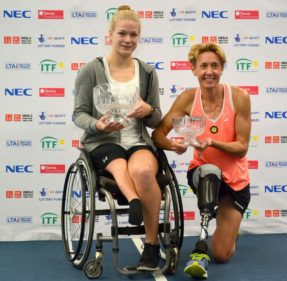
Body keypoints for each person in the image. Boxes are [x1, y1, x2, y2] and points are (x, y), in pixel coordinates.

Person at [73, 5, 162, 271]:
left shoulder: (147, 72)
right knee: (117, 163)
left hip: (137, 142)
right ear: (110, 35)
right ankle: (134, 200)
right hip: (103, 141)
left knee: (144, 170)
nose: (127, 40)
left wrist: (149, 111)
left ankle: (152, 245)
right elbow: (79, 114)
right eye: (122, 33)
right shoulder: (91, 70)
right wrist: (97, 125)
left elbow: (156, 117)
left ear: (139, 38)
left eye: (133, 35)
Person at [152, 43, 251, 279]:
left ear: (222, 68)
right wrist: (174, 145)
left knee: (222, 255)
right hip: (203, 171)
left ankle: (226, 228)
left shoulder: (239, 97)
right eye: (203, 66)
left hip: (235, 182)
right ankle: (200, 248)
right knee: (209, 170)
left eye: (215, 66)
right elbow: (158, 135)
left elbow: (242, 148)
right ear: (194, 69)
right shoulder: (187, 99)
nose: (209, 71)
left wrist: (213, 142)